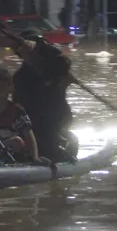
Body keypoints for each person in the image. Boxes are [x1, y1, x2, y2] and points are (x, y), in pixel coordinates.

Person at [11, 29, 79, 162]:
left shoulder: (56, 67)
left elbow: (61, 60)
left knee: (51, 145)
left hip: (56, 118)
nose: (28, 55)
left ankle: (61, 148)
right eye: (23, 52)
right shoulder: (20, 77)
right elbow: (17, 106)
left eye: (31, 51)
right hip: (32, 121)